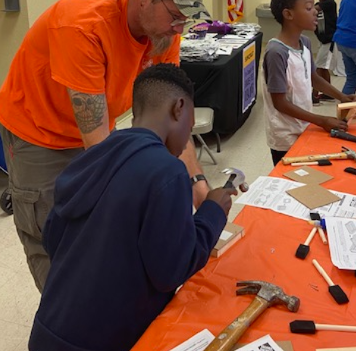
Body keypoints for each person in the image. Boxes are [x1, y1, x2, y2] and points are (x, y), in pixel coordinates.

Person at [0, 0, 212, 292]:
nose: (179, 27)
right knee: (52, 232)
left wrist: (196, 182)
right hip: (38, 133)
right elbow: (97, 147)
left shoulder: (164, 36)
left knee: (98, 224)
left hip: (92, 127)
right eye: (175, 15)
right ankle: (63, 324)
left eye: (186, 19)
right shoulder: (83, 26)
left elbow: (176, 117)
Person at [28, 63, 237, 351]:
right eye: (189, 127)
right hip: (104, 341)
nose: (185, 140)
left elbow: (53, 238)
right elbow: (172, 271)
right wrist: (212, 212)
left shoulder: (93, 154)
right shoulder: (168, 171)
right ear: (179, 108)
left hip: (49, 330)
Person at [262, 0, 356, 166]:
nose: (315, 11)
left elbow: (313, 78)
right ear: (288, 14)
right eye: (308, 8)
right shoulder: (277, 52)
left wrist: (342, 97)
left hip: (304, 125)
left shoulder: (305, 42)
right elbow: (280, 102)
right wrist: (321, 120)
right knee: (288, 179)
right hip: (285, 134)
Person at [312, 0, 346, 105]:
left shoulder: (329, 3)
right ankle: (327, 93)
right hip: (323, 40)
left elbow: (313, 10)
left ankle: (314, 94)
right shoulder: (319, 3)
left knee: (318, 68)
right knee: (323, 68)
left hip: (329, 41)